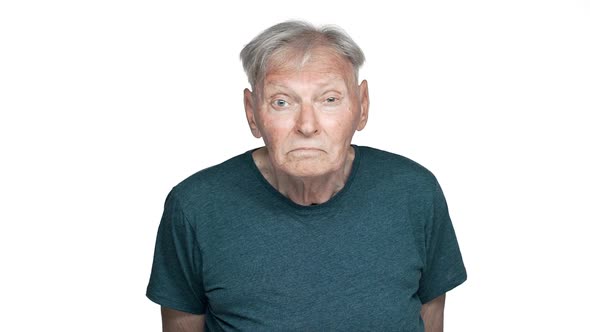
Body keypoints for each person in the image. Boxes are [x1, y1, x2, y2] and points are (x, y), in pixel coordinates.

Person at [146, 20, 467, 332]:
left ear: (362, 106)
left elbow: (431, 316)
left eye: (329, 100)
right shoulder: (196, 207)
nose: (308, 125)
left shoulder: (414, 193)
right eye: (282, 102)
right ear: (252, 113)